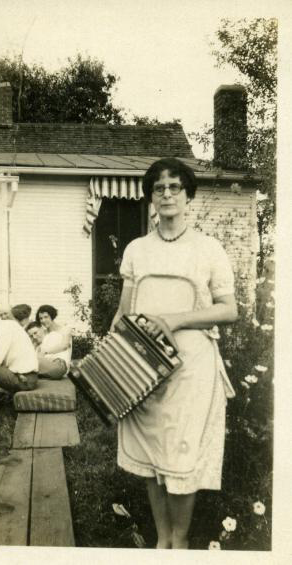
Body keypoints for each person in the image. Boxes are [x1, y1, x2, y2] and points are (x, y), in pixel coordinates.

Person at [111, 158, 238, 549]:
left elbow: (229, 309)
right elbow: (123, 312)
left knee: (181, 456)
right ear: (151, 197)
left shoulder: (207, 249)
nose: (166, 195)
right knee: (152, 456)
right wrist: (108, 354)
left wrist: (175, 320)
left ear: (188, 196)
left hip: (190, 370)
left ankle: (179, 542)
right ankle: (162, 539)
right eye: (159, 188)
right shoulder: (137, 249)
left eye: (174, 187)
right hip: (142, 369)